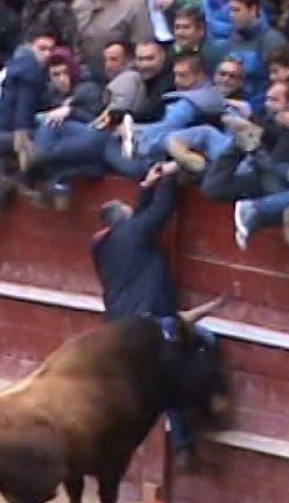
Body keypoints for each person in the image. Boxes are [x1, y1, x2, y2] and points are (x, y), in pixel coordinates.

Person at [91, 160, 218, 472]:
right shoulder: (132, 233)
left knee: (151, 387)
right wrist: (170, 179)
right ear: (125, 220)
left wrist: (147, 186)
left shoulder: (103, 245)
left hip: (119, 328)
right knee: (204, 344)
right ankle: (202, 417)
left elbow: (141, 219)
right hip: (148, 326)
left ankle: (180, 441)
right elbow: (159, 214)